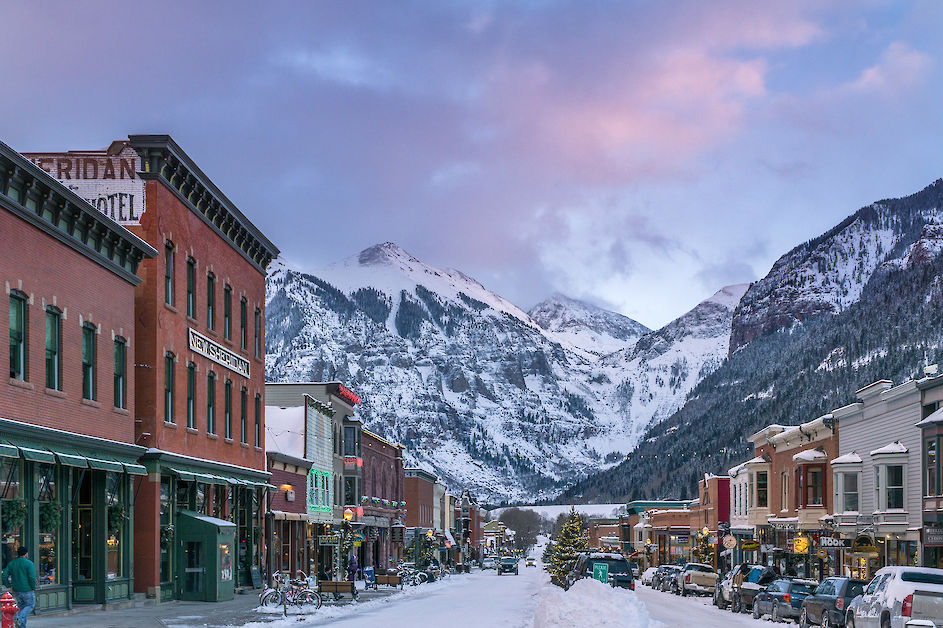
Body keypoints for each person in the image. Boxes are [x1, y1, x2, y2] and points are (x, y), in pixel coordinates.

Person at [2, 547, 36, 628]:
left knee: (21, 606)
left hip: (16, 589)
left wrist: (8, 586)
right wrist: (33, 587)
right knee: (30, 605)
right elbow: (32, 577)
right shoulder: (29, 563)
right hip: (27, 589)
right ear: (26, 554)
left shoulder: (12, 563)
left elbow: (4, 576)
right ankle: (19, 618)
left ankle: (22, 625)